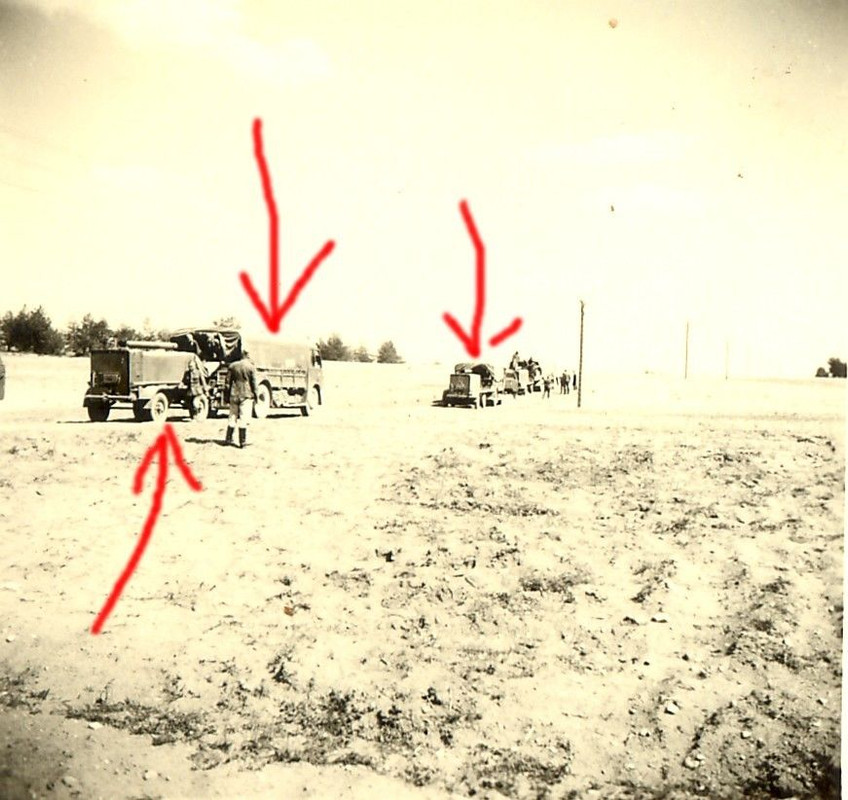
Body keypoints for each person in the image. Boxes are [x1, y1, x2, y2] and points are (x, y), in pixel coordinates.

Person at [224, 350, 258, 447]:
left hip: (234, 394)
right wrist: (256, 396)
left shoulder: (232, 366)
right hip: (246, 395)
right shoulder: (251, 367)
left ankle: (228, 439)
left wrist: (227, 396)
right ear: (247, 356)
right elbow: (254, 384)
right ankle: (242, 442)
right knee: (244, 418)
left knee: (232, 416)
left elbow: (227, 383)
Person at [185, 353, 209, 420]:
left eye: (192, 366)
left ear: (195, 366)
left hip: (197, 391)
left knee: (195, 403)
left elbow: (203, 382)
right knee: (189, 404)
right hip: (190, 391)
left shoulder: (198, 372)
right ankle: (192, 416)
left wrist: (206, 390)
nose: (191, 368)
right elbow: (185, 381)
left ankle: (197, 415)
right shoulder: (187, 373)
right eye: (189, 366)